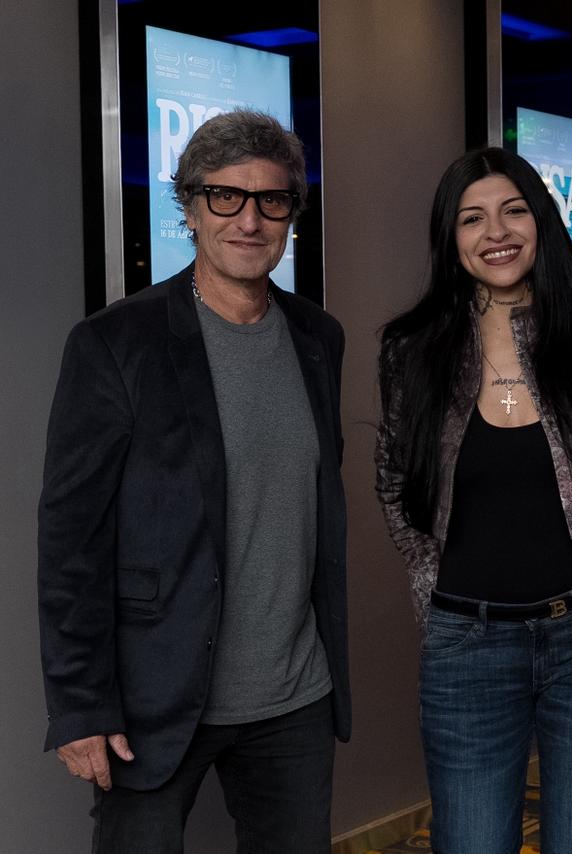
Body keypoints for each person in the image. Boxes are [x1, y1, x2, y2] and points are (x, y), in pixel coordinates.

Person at [38, 109, 349, 852]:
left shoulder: (317, 338)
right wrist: (81, 704)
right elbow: (70, 540)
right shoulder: (115, 343)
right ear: (188, 207)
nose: (249, 220)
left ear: (290, 216)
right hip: (155, 696)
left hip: (294, 697)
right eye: (225, 197)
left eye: (271, 200)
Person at [375, 147, 572, 853]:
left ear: (542, 221)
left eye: (514, 211)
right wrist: (438, 600)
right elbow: (396, 491)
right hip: (467, 645)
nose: (496, 232)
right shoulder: (412, 350)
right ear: (450, 240)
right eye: (471, 218)